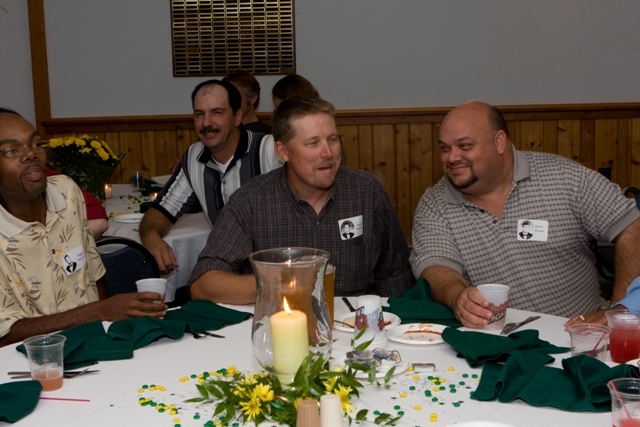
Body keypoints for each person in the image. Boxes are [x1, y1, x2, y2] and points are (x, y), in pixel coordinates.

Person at [410, 101, 640, 328]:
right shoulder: (435, 203)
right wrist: (457, 296)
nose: (451, 157)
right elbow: (435, 267)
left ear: (499, 142)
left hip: (574, 337)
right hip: (493, 342)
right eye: (445, 148)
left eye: (465, 146)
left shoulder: (564, 178)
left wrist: (621, 312)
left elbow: (631, 225)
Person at [188, 95, 414, 304]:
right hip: (277, 331)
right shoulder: (251, 202)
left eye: (333, 139)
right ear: (283, 152)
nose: (328, 152)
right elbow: (203, 284)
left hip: (350, 332)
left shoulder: (366, 193)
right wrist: (282, 283)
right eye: (313, 143)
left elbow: (396, 275)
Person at [0, 111, 166, 347]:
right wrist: (100, 312)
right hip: (33, 362)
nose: (30, 154)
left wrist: (110, 335)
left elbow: (94, 274)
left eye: (36, 144)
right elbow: (5, 334)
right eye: (11, 150)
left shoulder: (66, 193)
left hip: (92, 345)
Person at [139, 79, 283, 274]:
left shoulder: (270, 150)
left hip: (278, 268)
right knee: (196, 287)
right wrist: (151, 238)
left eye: (217, 113)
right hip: (228, 268)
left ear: (237, 117)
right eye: (199, 114)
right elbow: (163, 210)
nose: (206, 123)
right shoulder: (194, 157)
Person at [223, 70, 272, 134]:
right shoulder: (220, 131)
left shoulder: (267, 135)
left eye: (235, 96)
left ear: (252, 99)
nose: (228, 101)